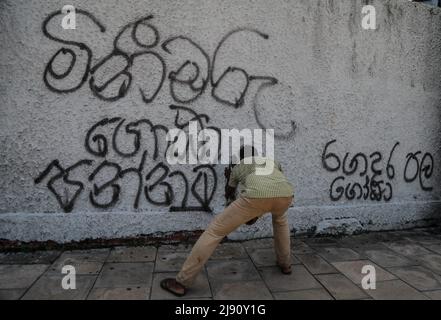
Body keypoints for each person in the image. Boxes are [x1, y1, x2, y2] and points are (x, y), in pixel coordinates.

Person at [160, 146, 294, 296]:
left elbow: (229, 193)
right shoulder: (272, 161)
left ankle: (181, 282)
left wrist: (229, 176)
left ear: (240, 158)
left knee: (214, 231)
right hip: (286, 194)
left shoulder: (239, 167)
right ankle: (285, 264)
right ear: (257, 155)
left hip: (256, 197)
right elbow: (274, 184)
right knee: (280, 221)